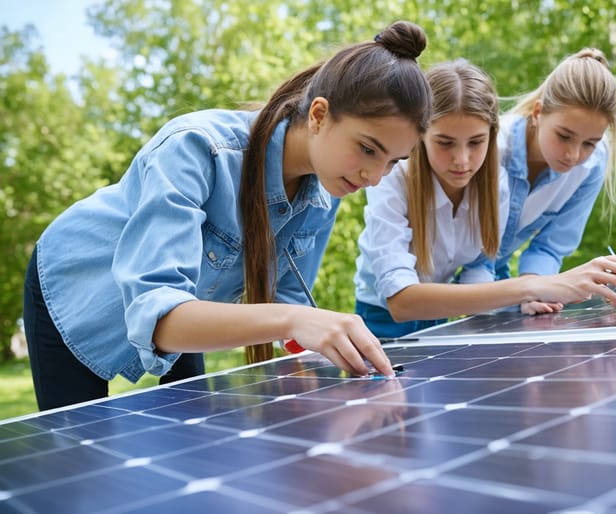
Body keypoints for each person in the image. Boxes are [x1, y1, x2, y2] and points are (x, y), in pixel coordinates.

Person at [22, 21, 432, 411]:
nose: (375, 177)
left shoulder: (328, 189)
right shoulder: (196, 149)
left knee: (192, 436)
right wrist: (297, 320)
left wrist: (332, 356)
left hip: (190, 308)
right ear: (319, 115)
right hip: (78, 289)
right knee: (82, 454)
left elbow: (285, 300)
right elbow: (161, 317)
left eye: (393, 161)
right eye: (367, 149)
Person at [353, 59, 616, 339]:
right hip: (382, 320)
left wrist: (533, 298)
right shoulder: (392, 177)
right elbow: (401, 301)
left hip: (438, 312)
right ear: (421, 134)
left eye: (477, 143)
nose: (462, 160)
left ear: (490, 138)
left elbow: (482, 264)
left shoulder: (496, 182)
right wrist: (534, 286)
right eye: (444, 143)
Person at [463, 48, 616, 315]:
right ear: (538, 112)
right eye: (564, 136)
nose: (574, 155)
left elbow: (550, 246)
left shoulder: (591, 166)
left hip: (499, 282)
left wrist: (536, 290)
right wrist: (526, 289)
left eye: (590, 143)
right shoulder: (488, 148)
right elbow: (471, 256)